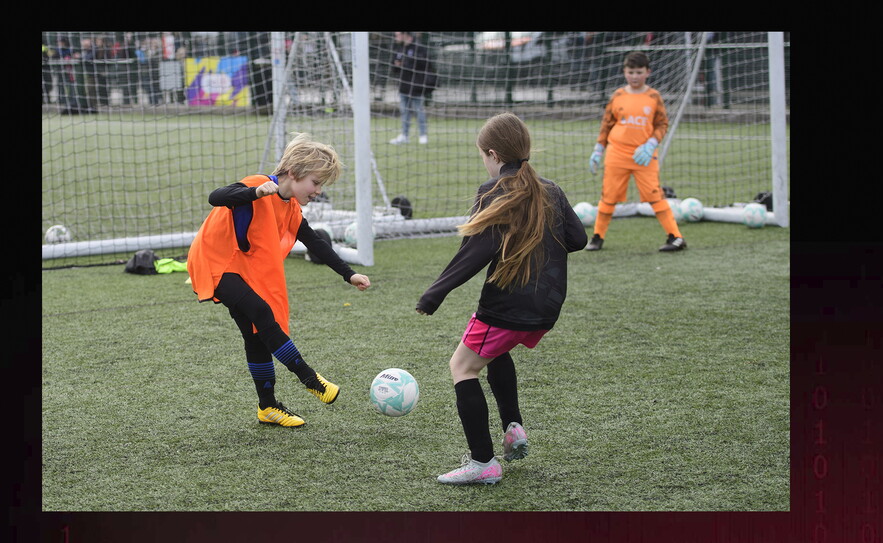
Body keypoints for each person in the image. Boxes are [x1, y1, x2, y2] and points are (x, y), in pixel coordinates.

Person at [416, 112, 587, 484]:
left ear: (493, 154)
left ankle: (483, 464)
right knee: (496, 350)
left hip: (509, 304)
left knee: (463, 367)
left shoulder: (493, 190)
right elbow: (578, 239)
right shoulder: (551, 189)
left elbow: (476, 250)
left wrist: (434, 294)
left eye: (483, 155)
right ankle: (513, 426)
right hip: (547, 306)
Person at [187, 133, 372, 428]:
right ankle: (310, 378)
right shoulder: (258, 185)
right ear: (294, 173)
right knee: (262, 312)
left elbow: (315, 242)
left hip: (241, 269)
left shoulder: (291, 208)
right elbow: (216, 197)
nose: (318, 191)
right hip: (214, 262)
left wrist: (348, 274)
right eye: (315, 182)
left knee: (256, 336)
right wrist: (254, 193)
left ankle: (268, 407)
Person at [586, 51, 687, 252]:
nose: (634, 76)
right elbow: (607, 125)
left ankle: (676, 237)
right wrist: (598, 149)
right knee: (608, 196)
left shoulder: (654, 97)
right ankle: (597, 237)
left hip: (644, 156)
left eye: (639, 72)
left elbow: (662, 124)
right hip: (617, 154)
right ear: (624, 72)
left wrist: (651, 144)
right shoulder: (617, 96)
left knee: (655, 196)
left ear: (648, 72)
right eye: (630, 72)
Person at [389, 31, 430, 145]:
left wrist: (404, 64)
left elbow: (422, 64)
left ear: (405, 34)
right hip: (403, 86)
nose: (396, 37)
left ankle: (423, 135)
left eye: (397, 35)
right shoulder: (399, 49)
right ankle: (404, 135)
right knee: (404, 112)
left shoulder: (418, 48)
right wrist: (397, 64)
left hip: (416, 86)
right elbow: (394, 67)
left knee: (419, 110)